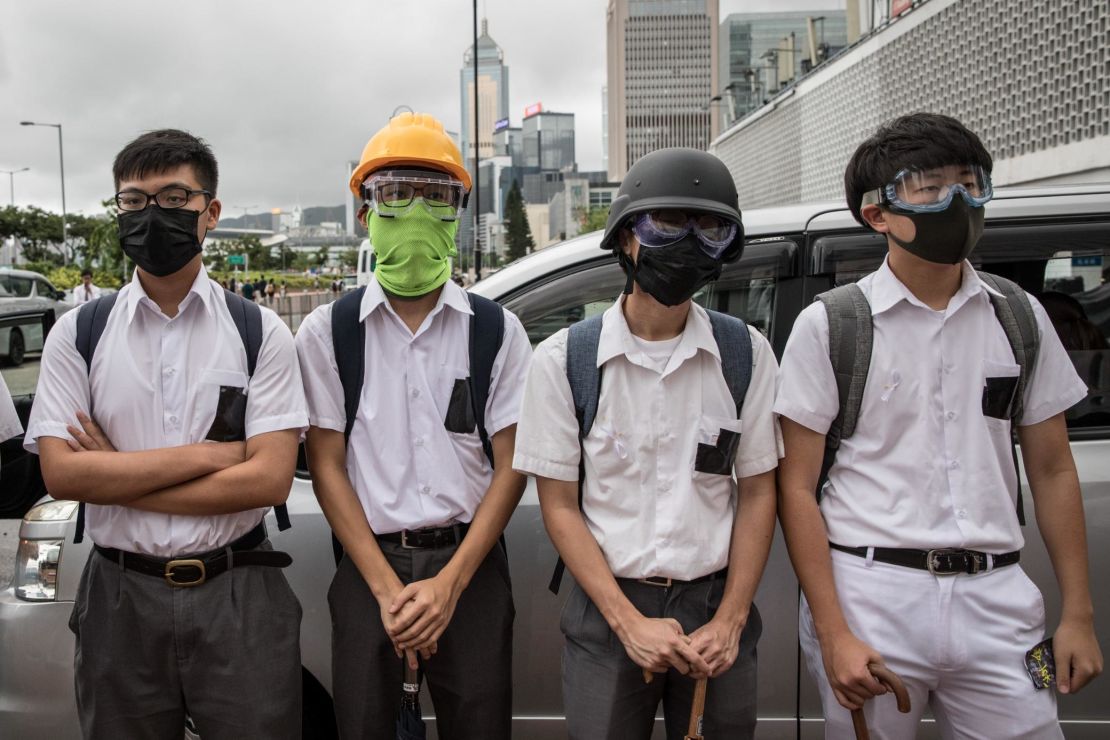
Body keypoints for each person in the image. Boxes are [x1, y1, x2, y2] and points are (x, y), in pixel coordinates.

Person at [775, 112, 1103, 739]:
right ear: (877, 214)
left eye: (969, 180)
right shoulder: (833, 325)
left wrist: (1079, 615)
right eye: (928, 186)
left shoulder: (1019, 316)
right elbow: (797, 488)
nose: (957, 199)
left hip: (998, 596)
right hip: (873, 594)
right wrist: (833, 631)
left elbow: (1054, 466)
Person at [24, 129, 308, 739]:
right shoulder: (78, 335)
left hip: (240, 590)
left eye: (174, 198)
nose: (152, 214)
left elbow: (271, 478)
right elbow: (64, 474)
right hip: (119, 595)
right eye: (133, 200)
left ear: (210, 213)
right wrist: (207, 456)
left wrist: (117, 477)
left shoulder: (261, 333)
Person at [514, 147, 781, 739]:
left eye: (709, 230)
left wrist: (732, 619)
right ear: (625, 240)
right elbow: (559, 505)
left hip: (714, 605)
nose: (688, 244)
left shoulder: (745, 355)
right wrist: (626, 621)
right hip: (609, 610)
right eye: (666, 225)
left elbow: (759, 491)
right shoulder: (564, 361)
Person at [296, 111, 532, 739]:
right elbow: (325, 464)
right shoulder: (329, 332)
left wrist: (449, 586)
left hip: (471, 568)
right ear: (363, 211)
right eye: (395, 193)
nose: (417, 211)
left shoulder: (496, 330)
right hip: (368, 566)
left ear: (459, 210)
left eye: (437, 196)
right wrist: (385, 590)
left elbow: (512, 464)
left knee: (480, 724)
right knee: (366, 726)